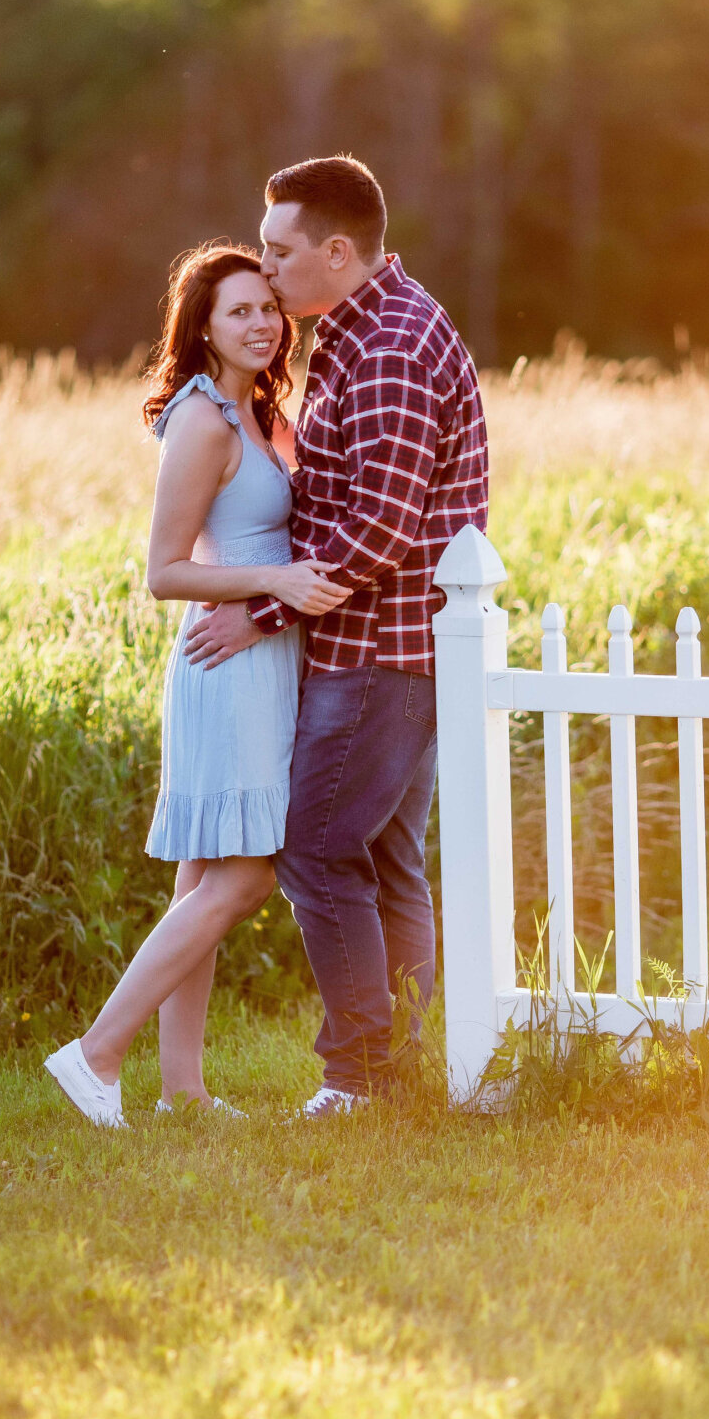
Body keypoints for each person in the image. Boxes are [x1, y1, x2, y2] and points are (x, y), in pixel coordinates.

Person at [184, 157, 490, 1114]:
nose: (266, 270)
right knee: (384, 859)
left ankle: (360, 1076)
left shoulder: (391, 344)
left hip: (379, 656)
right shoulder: (359, 333)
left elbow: (381, 529)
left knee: (316, 849)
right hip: (386, 650)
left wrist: (260, 610)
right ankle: (401, 1067)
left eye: (279, 251)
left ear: (337, 251)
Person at [44, 244, 350, 1126]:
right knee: (244, 879)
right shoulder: (203, 420)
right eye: (238, 312)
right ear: (202, 327)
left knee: (202, 884)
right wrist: (279, 585)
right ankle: (95, 1054)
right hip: (226, 663)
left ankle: (182, 1091)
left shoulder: (258, 411)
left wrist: (283, 589)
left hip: (259, 649)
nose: (261, 323)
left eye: (267, 308)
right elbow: (164, 571)